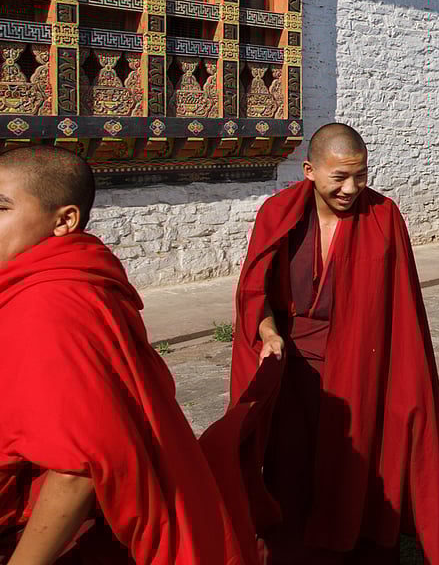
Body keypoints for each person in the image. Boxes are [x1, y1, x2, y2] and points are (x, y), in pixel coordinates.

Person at [201, 123, 439, 564]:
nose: (351, 188)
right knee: (292, 467)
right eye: (339, 177)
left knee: (355, 466)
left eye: (360, 176)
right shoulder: (279, 214)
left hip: (363, 363)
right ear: (309, 170)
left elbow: (400, 307)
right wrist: (267, 330)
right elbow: (255, 291)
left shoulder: (383, 216)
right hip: (295, 368)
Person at [0, 146, 255, 564]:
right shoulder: (74, 274)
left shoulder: (49, 302)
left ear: (64, 220)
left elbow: (77, 467)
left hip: (48, 529)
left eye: (1, 207)